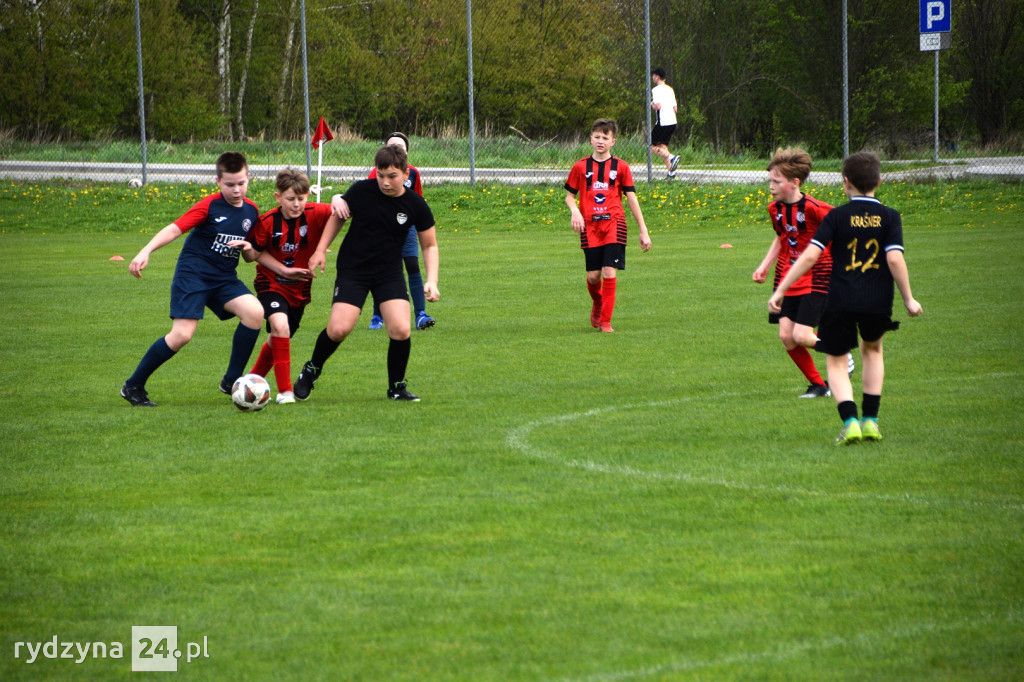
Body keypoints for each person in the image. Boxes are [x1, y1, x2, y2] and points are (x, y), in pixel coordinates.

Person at [769, 151, 922, 445]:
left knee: (837, 361)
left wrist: (780, 289)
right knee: (873, 351)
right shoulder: (890, 217)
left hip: (839, 298)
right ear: (879, 181)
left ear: (845, 182)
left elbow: (810, 256)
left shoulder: (837, 216)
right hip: (877, 299)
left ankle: (850, 422)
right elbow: (894, 259)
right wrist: (909, 299)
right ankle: (871, 421)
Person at [293, 144, 440, 402]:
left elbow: (429, 245)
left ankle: (397, 387)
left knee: (401, 329)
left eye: (392, 176)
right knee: (339, 329)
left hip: (388, 272)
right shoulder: (362, 190)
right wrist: (320, 250)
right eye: (381, 175)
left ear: (406, 174)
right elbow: (338, 217)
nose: (385, 182)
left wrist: (432, 280)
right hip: (354, 269)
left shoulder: (415, 204)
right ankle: (311, 370)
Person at [120, 151, 264, 407]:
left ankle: (231, 381)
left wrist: (248, 248)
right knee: (182, 335)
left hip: (224, 279)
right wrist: (145, 251)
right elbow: (175, 229)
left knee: (254, 313)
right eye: (230, 184)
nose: (236, 190)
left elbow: (250, 257)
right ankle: (133, 385)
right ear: (218, 181)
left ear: (248, 178)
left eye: (241, 183)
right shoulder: (209, 206)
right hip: (193, 276)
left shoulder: (251, 211)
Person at [229, 169, 331, 405]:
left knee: (278, 338)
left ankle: (249, 383)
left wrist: (338, 199)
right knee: (280, 326)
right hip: (271, 284)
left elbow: (343, 210)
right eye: (290, 199)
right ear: (278, 197)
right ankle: (285, 392)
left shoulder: (316, 213)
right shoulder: (267, 222)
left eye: (301, 198)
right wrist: (248, 250)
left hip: (300, 290)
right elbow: (252, 255)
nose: (296, 204)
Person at [752, 147, 835, 399]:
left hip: (818, 274)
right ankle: (819, 385)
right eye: (770, 180)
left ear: (795, 182)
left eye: (777, 181)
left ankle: (839, 350)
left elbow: (842, 229)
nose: (771, 186)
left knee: (801, 334)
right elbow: (782, 238)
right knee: (787, 336)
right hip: (788, 276)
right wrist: (764, 266)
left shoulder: (815, 208)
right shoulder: (774, 209)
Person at [565, 118, 652, 333]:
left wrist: (643, 230)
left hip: (614, 224)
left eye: (605, 137)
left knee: (609, 272)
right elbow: (569, 196)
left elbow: (632, 199)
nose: (600, 141)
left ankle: (606, 322)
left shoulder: (621, 167)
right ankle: (598, 302)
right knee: (593, 276)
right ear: (590, 139)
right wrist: (575, 210)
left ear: (613, 141)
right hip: (590, 227)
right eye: (597, 137)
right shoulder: (580, 166)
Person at [364, 132, 436, 332]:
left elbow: (418, 200)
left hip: (407, 226)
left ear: (406, 153)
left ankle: (421, 314)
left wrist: (418, 222)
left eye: (400, 147)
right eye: (391, 146)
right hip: (383, 228)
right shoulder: (376, 173)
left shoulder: (413, 173)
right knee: (382, 267)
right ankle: (378, 315)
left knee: (412, 264)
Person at [650, 68, 681, 179]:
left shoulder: (656, 90)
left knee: (650, 145)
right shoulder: (670, 89)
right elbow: (675, 108)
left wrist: (651, 104)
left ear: (657, 77)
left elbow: (657, 106)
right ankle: (671, 173)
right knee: (662, 147)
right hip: (672, 122)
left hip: (662, 122)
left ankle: (672, 157)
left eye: (653, 76)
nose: (652, 78)